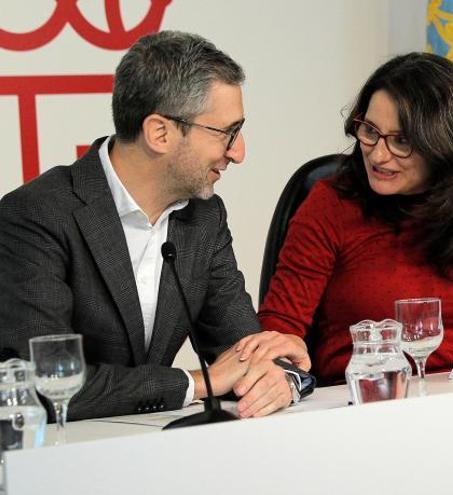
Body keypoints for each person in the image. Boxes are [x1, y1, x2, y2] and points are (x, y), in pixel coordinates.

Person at [0, 31, 307, 421]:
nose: (239, 152)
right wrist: (199, 383)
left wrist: (282, 376)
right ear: (160, 132)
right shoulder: (36, 215)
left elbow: (245, 352)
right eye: (226, 132)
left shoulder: (204, 218)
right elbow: (43, 385)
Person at [257, 52, 453, 384]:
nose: (378, 154)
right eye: (369, 130)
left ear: (443, 144)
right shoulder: (330, 203)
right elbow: (278, 332)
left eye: (401, 141)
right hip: (362, 403)